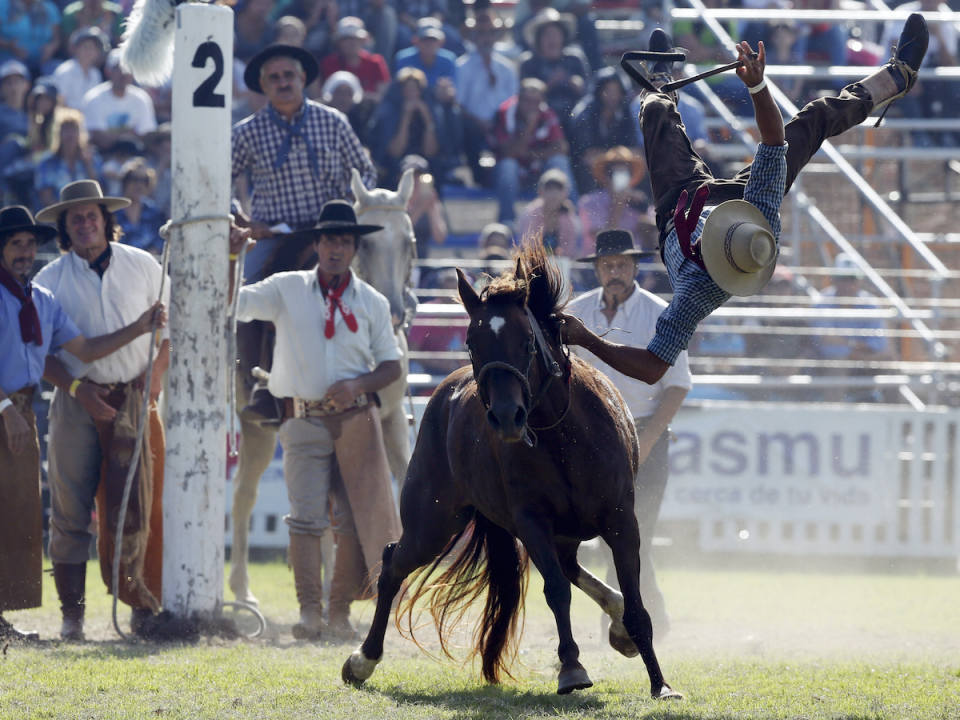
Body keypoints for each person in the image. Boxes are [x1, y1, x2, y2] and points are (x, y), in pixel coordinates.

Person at [561, 18, 929, 386]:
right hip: (740, 202)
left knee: (657, 115)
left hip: (677, 206)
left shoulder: (695, 293)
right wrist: (757, 85)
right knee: (813, 118)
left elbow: (654, 369)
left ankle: (658, 83)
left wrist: (586, 339)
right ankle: (897, 77)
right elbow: (773, 140)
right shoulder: (759, 218)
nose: (712, 230)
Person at [230, 42, 377, 602]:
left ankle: (377, 381)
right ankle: (258, 390)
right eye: (273, 77)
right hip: (278, 237)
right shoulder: (247, 133)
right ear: (263, 86)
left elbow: (364, 175)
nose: (284, 82)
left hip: (331, 235)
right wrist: (243, 220)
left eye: (291, 74)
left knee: (369, 295)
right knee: (250, 306)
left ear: (304, 79)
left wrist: (351, 215)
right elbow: (220, 179)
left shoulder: (333, 123)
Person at [228, 200, 403, 640]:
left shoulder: (374, 302)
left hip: (355, 420)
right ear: (318, 244)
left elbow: (392, 365)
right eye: (329, 240)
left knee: (348, 520)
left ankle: (339, 613)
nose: (335, 249)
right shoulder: (286, 287)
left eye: (344, 241)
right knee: (305, 517)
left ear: (354, 249)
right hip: (302, 418)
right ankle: (309, 613)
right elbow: (237, 303)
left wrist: (360, 384)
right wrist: (233, 258)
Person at [0, 205, 163, 642]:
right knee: (62, 511)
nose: (24, 252)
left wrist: (141, 328)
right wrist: (14, 407)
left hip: (46, 406)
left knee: (24, 510)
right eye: (15, 244)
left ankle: (132, 605)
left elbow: (86, 348)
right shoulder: (47, 281)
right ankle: (69, 618)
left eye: (29, 244)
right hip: (25, 408)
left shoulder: (40, 296)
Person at [568, 228, 691, 641]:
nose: (614, 272)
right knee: (614, 537)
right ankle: (644, 619)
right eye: (607, 265)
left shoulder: (661, 312)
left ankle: (632, 618)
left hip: (643, 433)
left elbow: (677, 384)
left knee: (635, 535)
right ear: (597, 269)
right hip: (589, 440)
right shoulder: (578, 311)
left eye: (622, 264)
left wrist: (651, 439)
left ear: (636, 267)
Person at [489, 77, 577, 225]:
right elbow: (509, 153)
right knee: (508, 166)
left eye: (535, 101)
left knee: (559, 162)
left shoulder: (547, 114)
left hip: (537, 171)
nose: (530, 106)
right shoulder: (505, 113)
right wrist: (529, 127)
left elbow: (561, 148)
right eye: (526, 100)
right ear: (518, 98)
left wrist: (531, 154)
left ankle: (573, 217)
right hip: (509, 174)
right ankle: (507, 220)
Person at [455, 9, 518, 188]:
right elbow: (458, 104)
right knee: (468, 131)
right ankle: (480, 179)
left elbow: (514, 101)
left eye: (491, 33)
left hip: (502, 123)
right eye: (481, 33)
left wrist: (499, 122)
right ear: (473, 37)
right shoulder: (462, 66)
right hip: (473, 124)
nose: (486, 38)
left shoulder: (507, 68)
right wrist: (480, 123)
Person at [517, 8, 590, 134]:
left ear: (563, 37)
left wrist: (580, 86)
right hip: (540, 122)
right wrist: (548, 84)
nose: (552, 39)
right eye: (547, 35)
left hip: (573, 119)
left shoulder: (575, 59)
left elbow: (589, 91)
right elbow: (523, 100)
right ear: (538, 39)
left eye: (556, 34)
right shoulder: (528, 63)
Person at [569, 67, 639, 195]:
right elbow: (586, 154)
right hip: (588, 166)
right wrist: (614, 155)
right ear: (599, 92)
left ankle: (634, 207)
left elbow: (633, 147)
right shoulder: (585, 114)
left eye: (616, 91)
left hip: (618, 161)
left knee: (636, 165)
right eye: (607, 91)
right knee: (590, 167)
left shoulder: (625, 112)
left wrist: (616, 156)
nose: (612, 95)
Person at [578, 146, 651, 258]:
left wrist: (643, 209)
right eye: (616, 172)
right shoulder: (590, 203)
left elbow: (653, 238)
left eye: (625, 171)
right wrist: (618, 205)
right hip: (598, 265)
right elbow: (607, 241)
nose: (621, 176)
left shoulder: (637, 201)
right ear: (607, 175)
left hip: (635, 265)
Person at [81, 49, 158, 152]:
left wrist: (112, 135)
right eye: (119, 68)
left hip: (134, 157)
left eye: (128, 68)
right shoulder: (94, 98)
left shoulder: (141, 98)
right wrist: (130, 133)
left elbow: (147, 137)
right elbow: (100, 140)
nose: (124, 74)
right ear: (108, 71)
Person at [33, 107, 100, 210]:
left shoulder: (92, 159)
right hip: (58, 214)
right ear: (58, 134)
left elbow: (100, 193)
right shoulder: (47, 163)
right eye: (66, 130)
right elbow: (46, 198)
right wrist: (68, 210)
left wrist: (89, 167)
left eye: (73, 129)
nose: (70, 134)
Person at [319, 17, 390, 105]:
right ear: (338, 42)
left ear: (363, 41)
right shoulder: (329, 63)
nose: (351, 43)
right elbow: (324, 95)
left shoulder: (375, 62)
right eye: (347, 38)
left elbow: (383, 94)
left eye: (355, 38)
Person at [515, 168, 580, 257]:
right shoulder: (530, 213)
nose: (554, 194)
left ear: (565, 194)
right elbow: (525, 248)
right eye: (549, 189)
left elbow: (570, 252)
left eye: (558, 189)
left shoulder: (569, 217)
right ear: (541, 192)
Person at [114, 157, 165, 255]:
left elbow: (159, 242)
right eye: (135, 179)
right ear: (125, 181)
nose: (140, 185)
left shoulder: (153, 211)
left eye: (145, 181)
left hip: (147, 264)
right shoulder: (112, 210)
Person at [400, 153, 448, 258]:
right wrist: (421, 208)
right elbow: (400, 236)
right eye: (410, 175)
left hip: (424, 263)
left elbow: (440, 238)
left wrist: (432, 208)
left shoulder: (433, 204)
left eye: (418, 175)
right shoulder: (395, 204)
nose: (414, 179)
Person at [52, 27, 108, 111]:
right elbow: (58, 103)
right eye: (85, 47)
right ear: (75, 49)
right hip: (67, 120)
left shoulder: (96, 74)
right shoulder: (64, 71)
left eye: (93, 48)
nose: (89, 52)